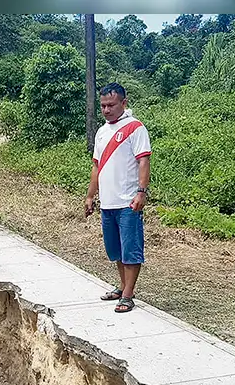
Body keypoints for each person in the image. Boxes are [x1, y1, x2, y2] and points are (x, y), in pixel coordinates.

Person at [84, 82, 151, 313]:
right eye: (102, 105)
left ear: (124, 103)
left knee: (131, 249)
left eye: (111, 105)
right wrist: (91, 195)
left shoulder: (135, 128)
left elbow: (143, 160)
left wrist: (141, 192)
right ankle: (122, 287)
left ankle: (129, 294)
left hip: (128, 202)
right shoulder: (102, 132)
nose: (106, 110)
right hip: (108, 202)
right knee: (115, 249)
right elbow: (96, 167)